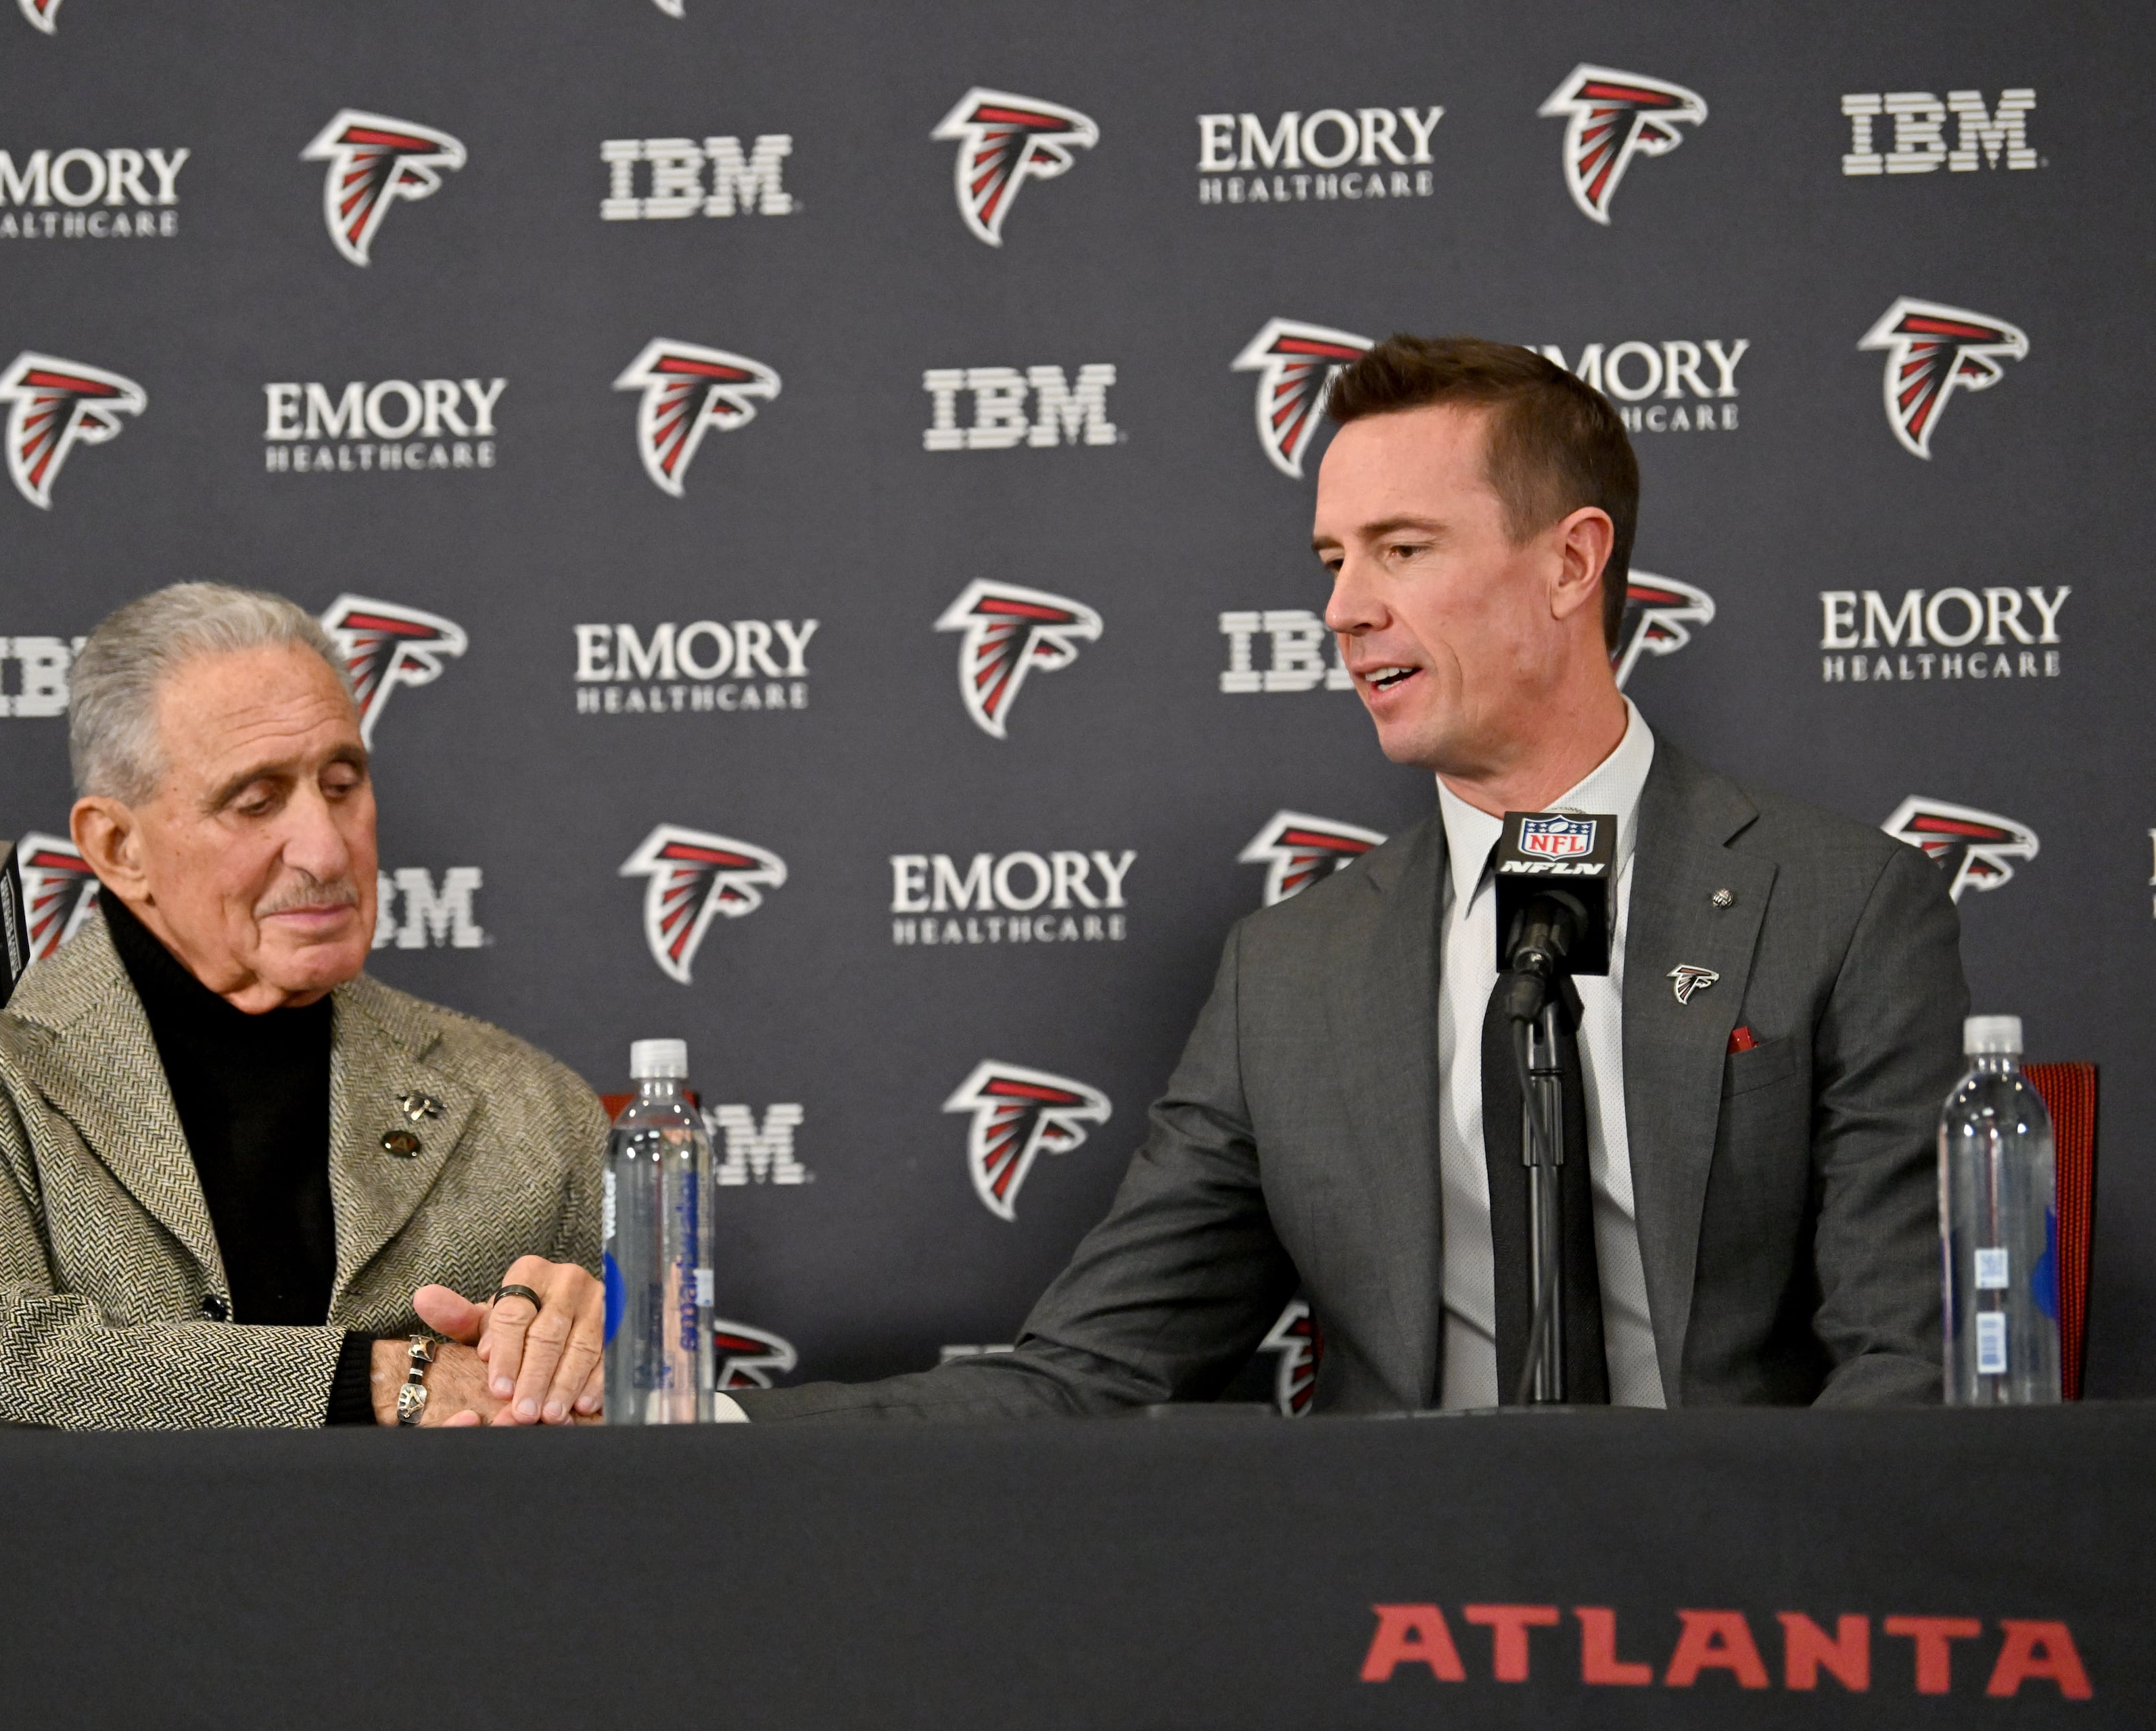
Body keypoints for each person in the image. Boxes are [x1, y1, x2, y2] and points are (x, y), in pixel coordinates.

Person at [730, 335, 1965, 1420]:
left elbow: (1905, 1368)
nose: (1343, 608)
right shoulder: (1289, 974)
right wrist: (721, 1429)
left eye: (1402, 549)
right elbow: (1092, 1373)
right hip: (1396, 1591)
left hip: (1730, 1582)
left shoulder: (1846, 907)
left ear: (1571, 563)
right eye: (1332, 559)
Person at [0, 584, 610, 1427]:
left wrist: (602, 1350)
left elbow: (647, 1428)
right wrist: (387, 1378)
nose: (325, 850)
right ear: (117, 847)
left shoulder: (532, 1108)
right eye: (257, 801)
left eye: (342, 783)